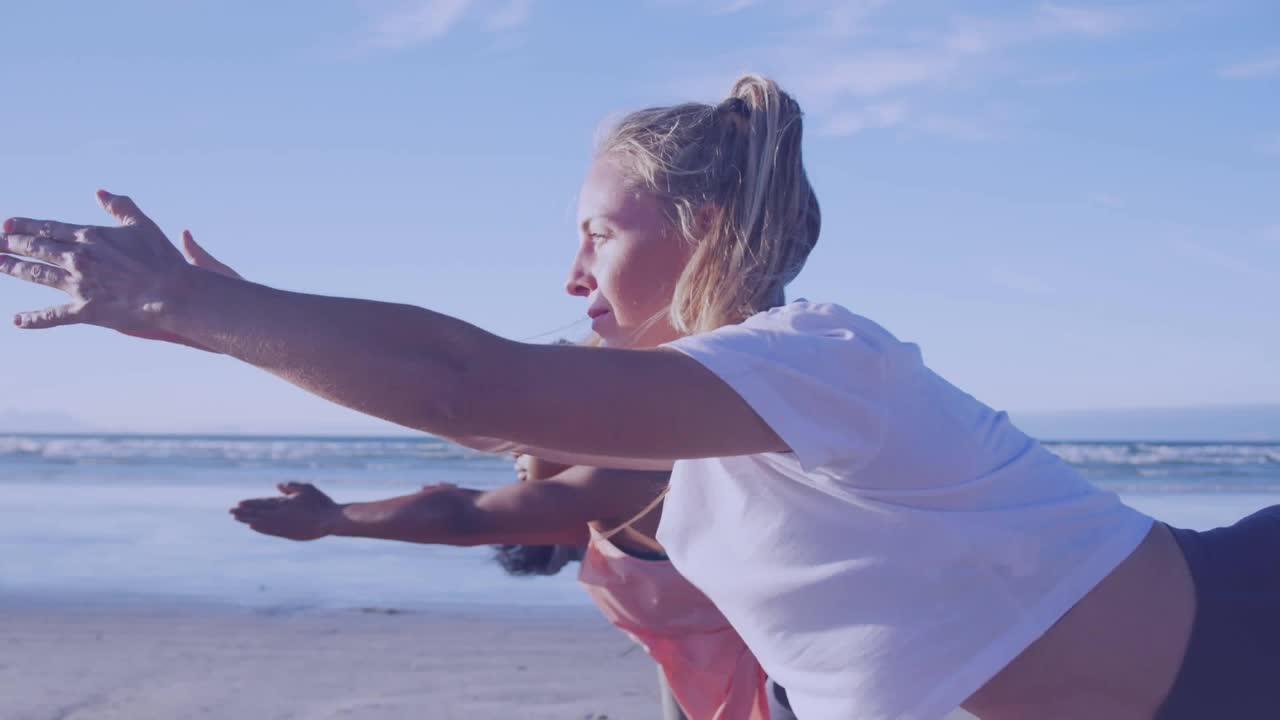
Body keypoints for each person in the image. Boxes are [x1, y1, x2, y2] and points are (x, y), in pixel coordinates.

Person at [1, 72, 1275, 719]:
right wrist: (227, 332)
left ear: (701, 227)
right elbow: (492, 417)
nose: (569, 273)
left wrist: (201, 307)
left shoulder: (822, 358)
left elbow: (466, 379)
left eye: (598, 237)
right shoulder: (697, 438)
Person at [229, 451, 782, 720]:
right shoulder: (588, 520)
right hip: (712, 690)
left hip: (792, 687)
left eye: (527, 434)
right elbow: (469, 512)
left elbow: (463, 515)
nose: (513, 454)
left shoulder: (632, 485)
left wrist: (334, 518)